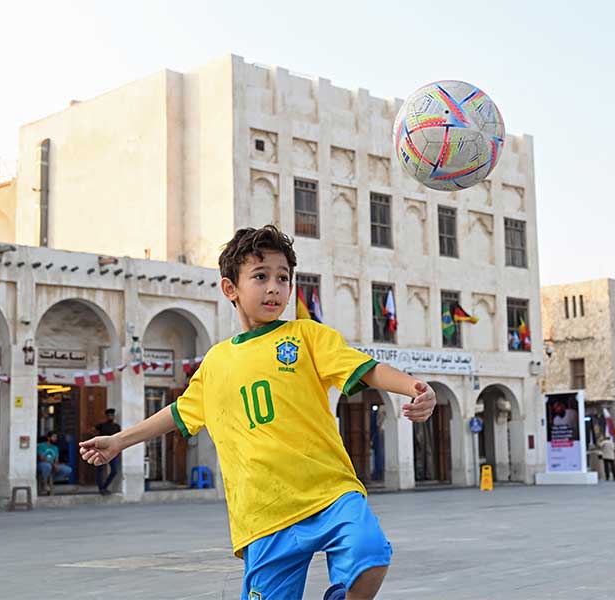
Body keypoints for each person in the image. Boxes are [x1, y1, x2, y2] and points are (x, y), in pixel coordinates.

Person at [79, 225, 437, 600]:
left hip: (330, 493)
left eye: (283, 278)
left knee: (371, 555)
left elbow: (367, 367)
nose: (274, 288)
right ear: (230, 288)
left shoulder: (306, 336)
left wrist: (414, 387)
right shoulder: (216, 362)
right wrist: (119, 440)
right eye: (260, 276)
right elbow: (178, 412)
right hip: (264, 516)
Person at [93, 408, 121, 495]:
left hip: (113, 450)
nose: (110, 417)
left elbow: (119, 438)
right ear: (106, 416)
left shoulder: (117, 427)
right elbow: (91, 431)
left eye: (112, 415)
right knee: (100, 470)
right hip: (102, 450)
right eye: (109, 415)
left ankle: (104, 487)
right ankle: (101, 488)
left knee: (114, 470)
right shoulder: (101, 425)